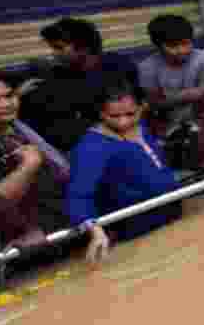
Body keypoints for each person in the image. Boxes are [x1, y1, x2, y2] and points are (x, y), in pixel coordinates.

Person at [67, 80, 179, 259]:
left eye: (130, 114)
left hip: (172, 212)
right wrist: (95, 231)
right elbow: (78, 195)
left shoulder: (142, 127)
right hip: (134, 228)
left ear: (142, 107)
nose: (123, 122)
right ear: (101, 113)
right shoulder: (91, 148)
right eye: (113, 116)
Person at [17, 17, 141, 153]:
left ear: (84, 47)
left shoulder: (119, 66)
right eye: (53, 48)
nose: (54, 54)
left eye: (59, 48)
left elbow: (136, 104)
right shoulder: (56, 76)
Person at [0, 68, 78, 260]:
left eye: (9, 96)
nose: (5, 104)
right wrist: (28, 167)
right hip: (17, 250)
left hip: (57, 230)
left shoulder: (19, 127)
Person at [137, 15, 204, 172]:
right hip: (166, 126)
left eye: (186, 44)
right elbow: (153, 103)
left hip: (203, 120)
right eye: (173, 46)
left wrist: (173, 97)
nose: (181, 50)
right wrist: (190, 95)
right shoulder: (147, 68)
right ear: (158, 46)